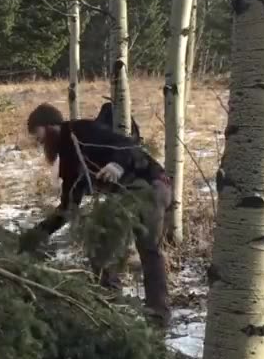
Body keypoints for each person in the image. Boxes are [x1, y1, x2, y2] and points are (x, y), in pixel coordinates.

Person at [18, 102, 172, 325]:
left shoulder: (81, 130)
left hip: (151, 187)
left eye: (37, 133)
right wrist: (38, 234)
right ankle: (112, 306)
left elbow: (125, 144)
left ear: (50, 125)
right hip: (124, 197)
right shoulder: (69, 159)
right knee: (101, 249)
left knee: (148, 249)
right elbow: (68, 206)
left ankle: (158, 316)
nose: (37, 140)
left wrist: (117, 166)